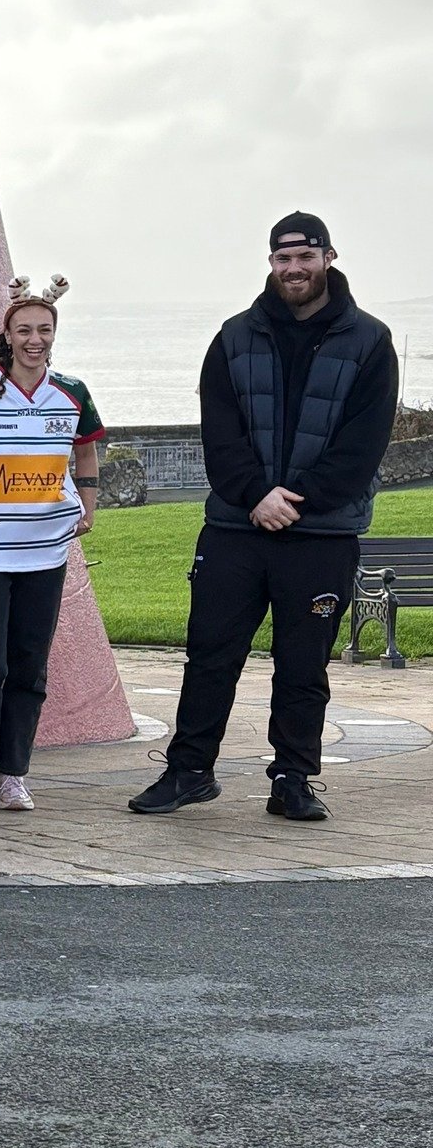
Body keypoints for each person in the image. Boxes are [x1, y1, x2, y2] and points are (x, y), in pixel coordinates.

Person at [131, 214, 398, 822]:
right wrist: (256, 496)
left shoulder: (370, 341)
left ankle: (293, 778)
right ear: (270, 262)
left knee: (304, 665)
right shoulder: (233, 337)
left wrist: (293, 500)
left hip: (321, 534)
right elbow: (219, 435)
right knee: (210, 654)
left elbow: (363, 446)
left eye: (305, 256)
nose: (293, 269)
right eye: (282, 258)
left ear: (328, 256)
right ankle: (190, 771)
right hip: (235, 529)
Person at [0, 276, 104, 811]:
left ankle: (14, 773)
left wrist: (89, 507)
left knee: (30, 664)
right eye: (24, 330)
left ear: (55, 334)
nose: (35, 339)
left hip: (45, 553)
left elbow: (86, 455)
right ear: (7, 334)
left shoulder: (72, 391)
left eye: (44, 330)